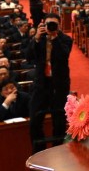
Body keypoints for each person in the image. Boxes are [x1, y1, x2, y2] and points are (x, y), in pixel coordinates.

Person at [29, 13, 72, 151]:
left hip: (59, 84)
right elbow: (29, 56)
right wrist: (36, 38)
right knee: (35, 120)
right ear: (43, 24)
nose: (51, 26)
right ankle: (39, 151)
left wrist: (54, 37)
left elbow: (63, 55)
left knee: (59, 121)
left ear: (59, 26)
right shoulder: (39, 39)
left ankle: (57, 150)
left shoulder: (65, 39)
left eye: (54, 24)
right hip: (41, 84)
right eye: (49, 24)